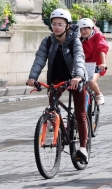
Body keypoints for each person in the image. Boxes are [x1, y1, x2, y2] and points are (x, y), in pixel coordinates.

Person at [27, 9, 89, 163]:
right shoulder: (47, 41)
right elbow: (40, 59)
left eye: (60, 24)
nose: (56, 27)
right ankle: (57, 126)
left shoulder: (75, 41)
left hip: (75, 77)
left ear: (67, 26)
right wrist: (32, 78)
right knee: (52, 104)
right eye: (54, 24)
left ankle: (82, 148)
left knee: (80, 113)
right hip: (58, 77)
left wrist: (78, 76)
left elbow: (79, 59)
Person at [77, 18, 109, 105]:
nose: (83, 31)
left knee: (90, 81)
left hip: (96, 65)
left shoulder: (98, 35)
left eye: (85, 29)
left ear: (91, 28)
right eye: (81, 30)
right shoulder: (79, 39)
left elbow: (102, 48)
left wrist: (103, 63)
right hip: (83, 65)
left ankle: (99, 94)